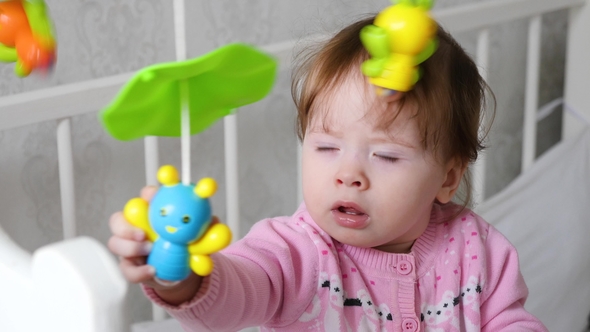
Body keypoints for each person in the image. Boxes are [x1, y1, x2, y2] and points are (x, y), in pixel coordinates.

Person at [108, 16, 547, 331]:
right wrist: (182, 275)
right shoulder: (294, 252)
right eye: (327, 147)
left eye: (387, 156)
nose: (348, 174)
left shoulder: (479, 249)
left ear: (448, 178)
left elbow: (511, 321)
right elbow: (235, 294)